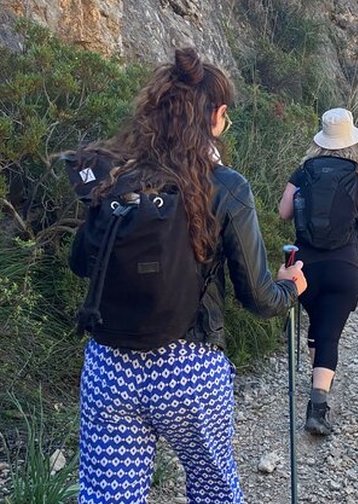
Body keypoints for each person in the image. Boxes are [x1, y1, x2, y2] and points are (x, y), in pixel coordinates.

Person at [74, 47, 307, 504]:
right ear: (216, 116)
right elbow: (258, 297)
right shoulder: (227, 187)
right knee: (214, 490)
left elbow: (82, 263)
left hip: (109, 366)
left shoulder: (116, 176)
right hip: (190, 372)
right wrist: (290, 287)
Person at [278, 107, 358, 436]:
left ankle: (317, 380)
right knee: (330, 334)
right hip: (343, 268)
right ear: (353, 141)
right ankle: (317, 407)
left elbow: (282, 213)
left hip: (303, 269)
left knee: (319, 328)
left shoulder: (303, 172)